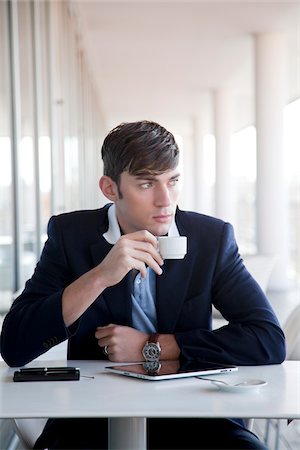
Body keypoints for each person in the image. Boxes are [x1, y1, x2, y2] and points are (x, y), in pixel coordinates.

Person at [1, 120, 285, 449]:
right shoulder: (71, 236)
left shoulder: (210, 239)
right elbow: (15, 345)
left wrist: (155, 346)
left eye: (173, 181)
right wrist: (99, 277)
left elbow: (268, 339)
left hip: (197, 413)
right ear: (110, 188)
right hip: (91, 417)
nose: (166, 201)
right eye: (147, 184)